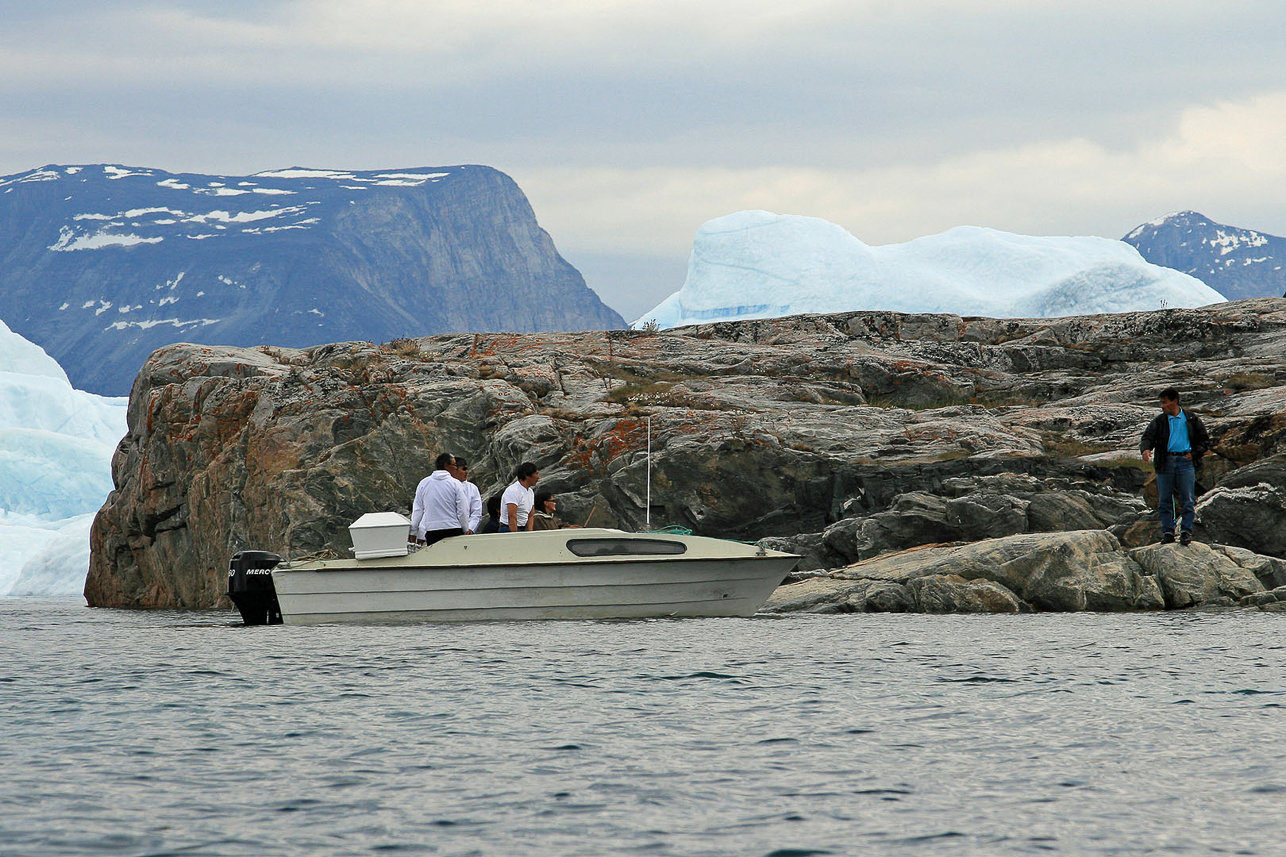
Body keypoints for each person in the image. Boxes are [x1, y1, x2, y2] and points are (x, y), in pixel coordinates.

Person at [1140, 388, 1210, 546]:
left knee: (1188, 499)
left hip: (1185, 462)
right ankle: (1168, 532)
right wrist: (1146, 450)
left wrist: (1195, 454)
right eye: (1161, 403)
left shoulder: (1192, 419)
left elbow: (1204, 441)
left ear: (1175, 401)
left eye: (1164, 402)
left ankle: (1186, 532)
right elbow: (1148, 437)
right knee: (1165, 499)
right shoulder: (1159, 421)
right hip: (1166, 462)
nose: (1162, 406)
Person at [410, 452, 469, 545]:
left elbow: (418, 509)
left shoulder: (424, 483)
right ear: (446, 466)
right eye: (454, 465)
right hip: (453, 529)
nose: (456, 468)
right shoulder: (455, 484)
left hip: (432, 530)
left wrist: (413, 531)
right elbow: (462, 510)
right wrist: (465, 529)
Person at [499, 462, 539, 532]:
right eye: (536, 474)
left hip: (523, 527)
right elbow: (512, 516)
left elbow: (531, 515)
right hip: (508, 528)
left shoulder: (530, 492)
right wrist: (516, 536)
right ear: (527, 476)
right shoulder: (513, 491)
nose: (538, 477)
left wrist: (530, 532)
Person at [450, 456, 483, 535]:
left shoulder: (472, 488)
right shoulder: (445, 486)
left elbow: (476, 512)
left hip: (466, 532)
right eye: (464, 469)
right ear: (454, 470)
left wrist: (470, 529)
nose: (467, 472)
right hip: (448, 529)